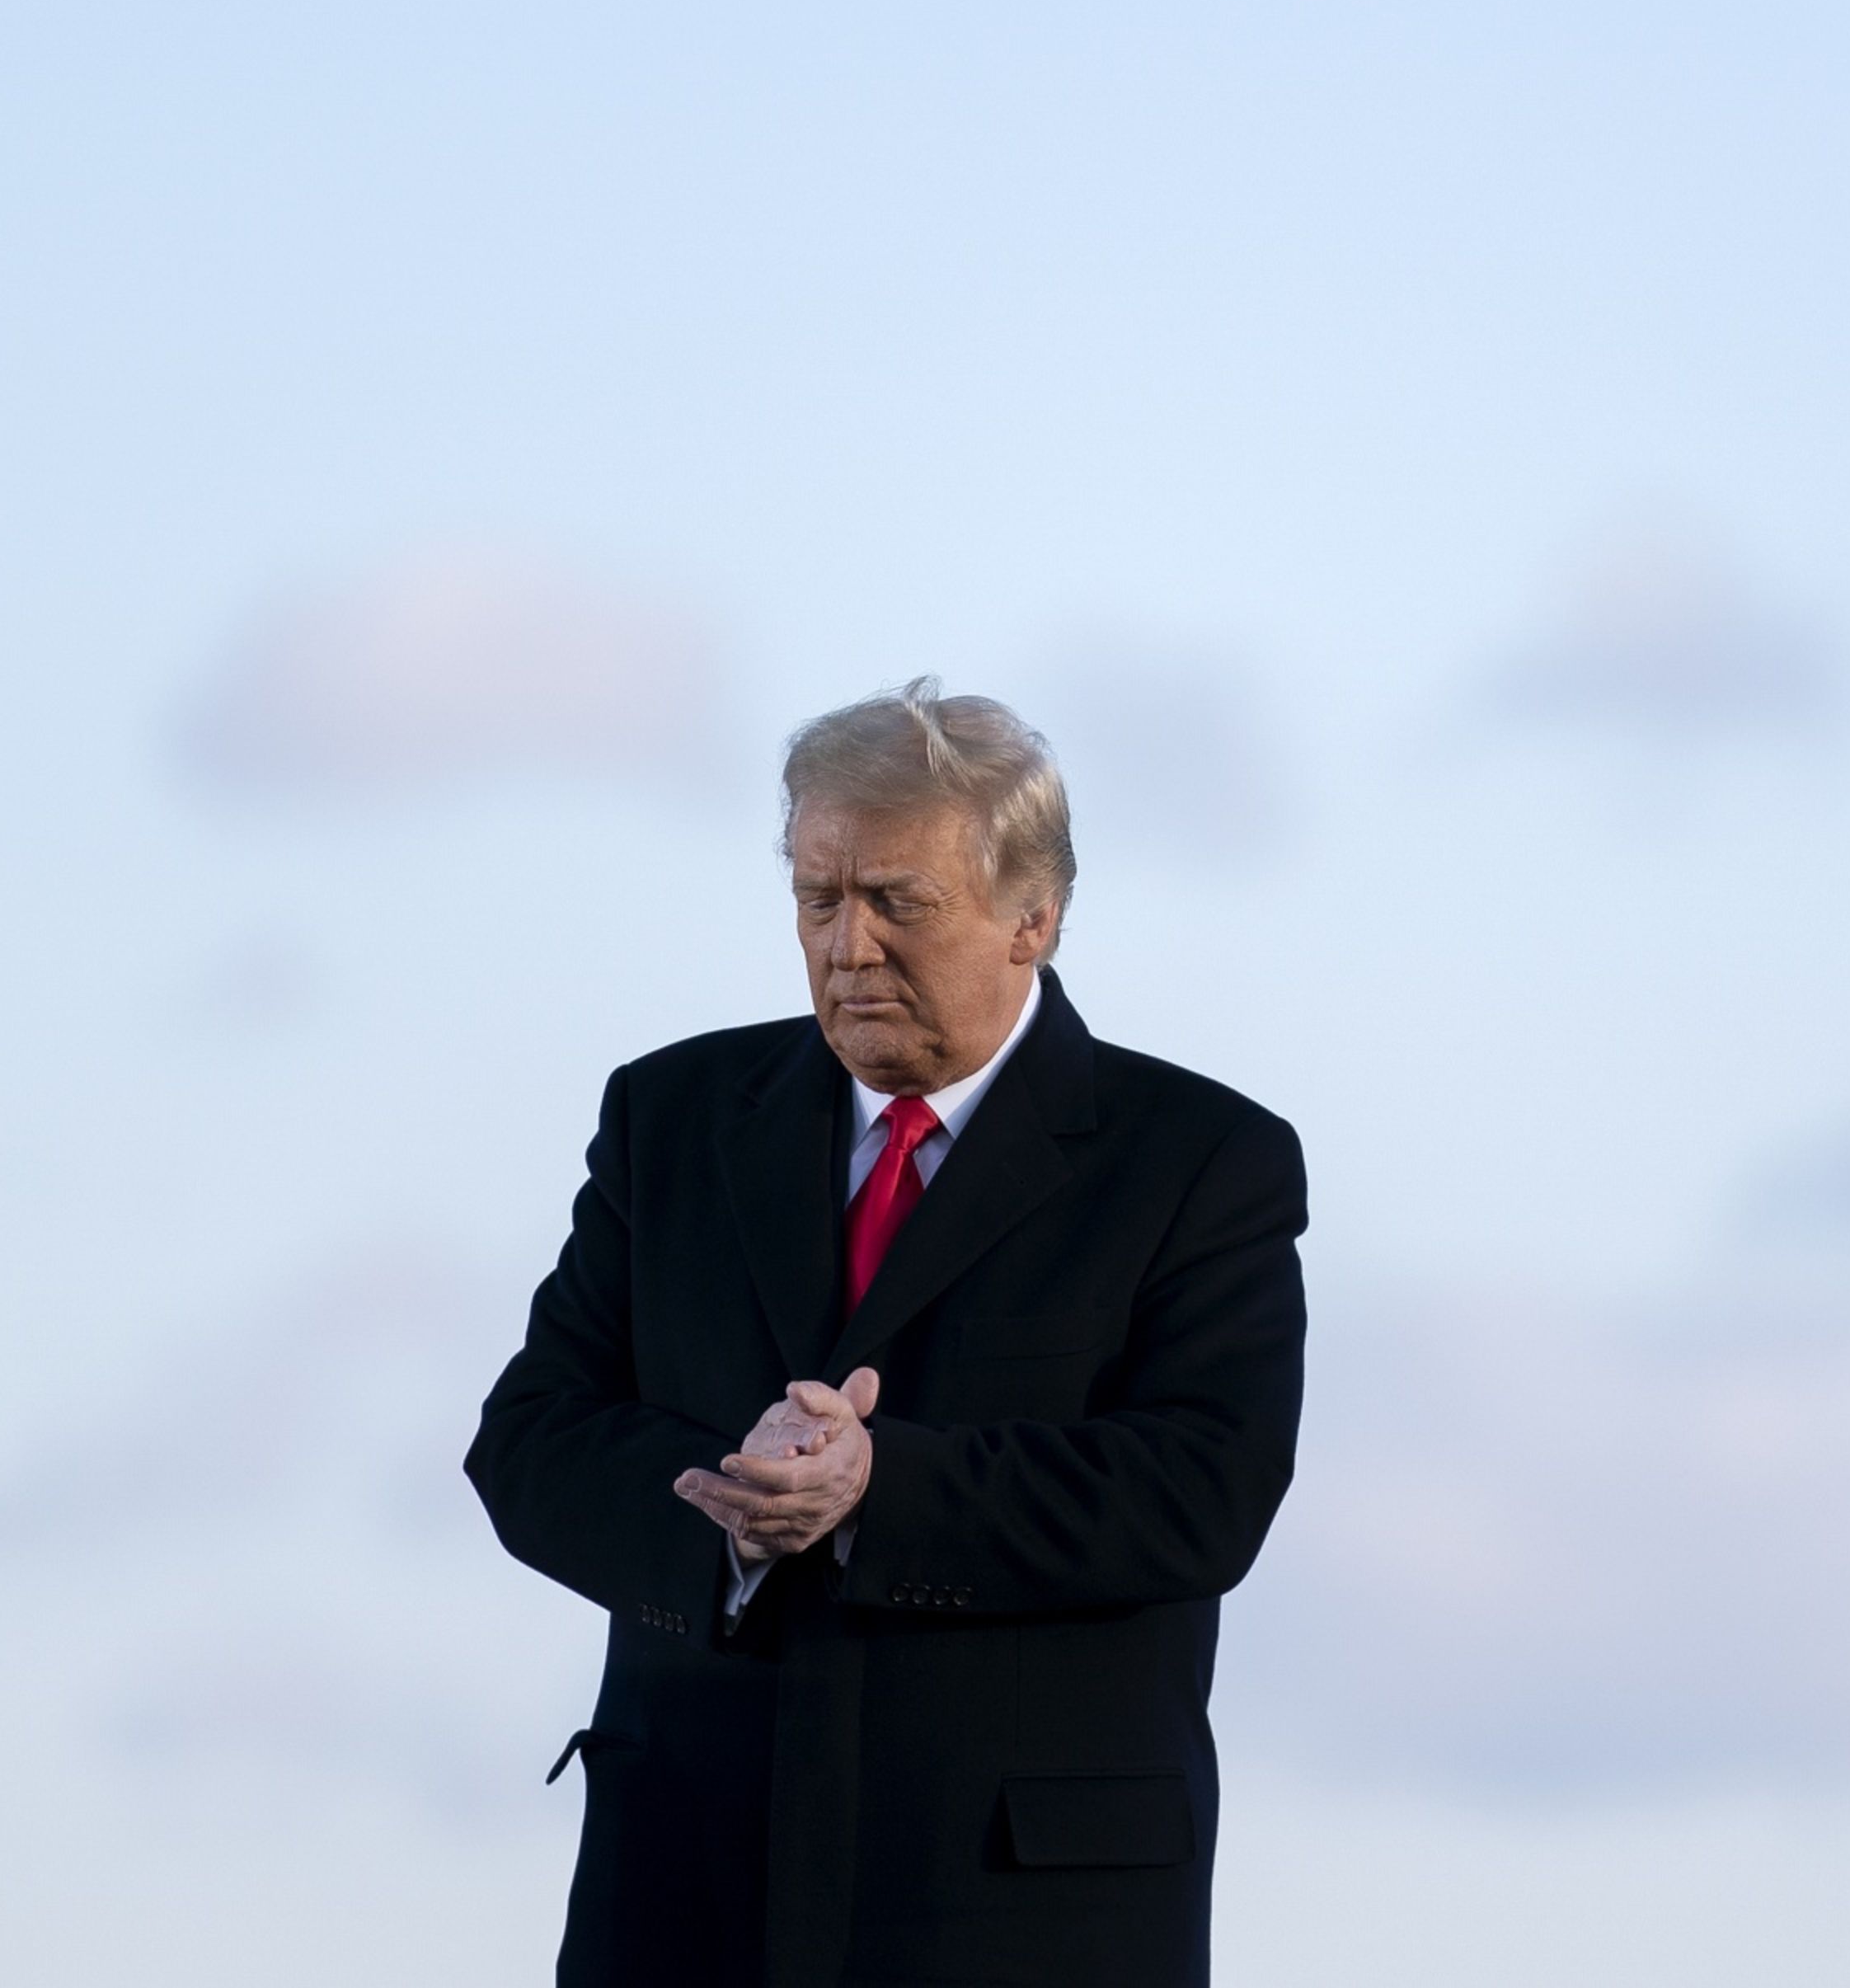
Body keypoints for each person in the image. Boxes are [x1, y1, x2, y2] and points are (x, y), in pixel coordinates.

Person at [466, 679, 1308, 1988]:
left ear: (1035, 915)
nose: (848, 946)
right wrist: (732, 1514)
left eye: (896, 902)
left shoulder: (1201, 1161)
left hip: (1027, 1918)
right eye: (818, 899)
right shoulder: (670, 1117)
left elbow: (1207, 1487)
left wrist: (878, 1489)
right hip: (685, 1900)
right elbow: (528, 1441)